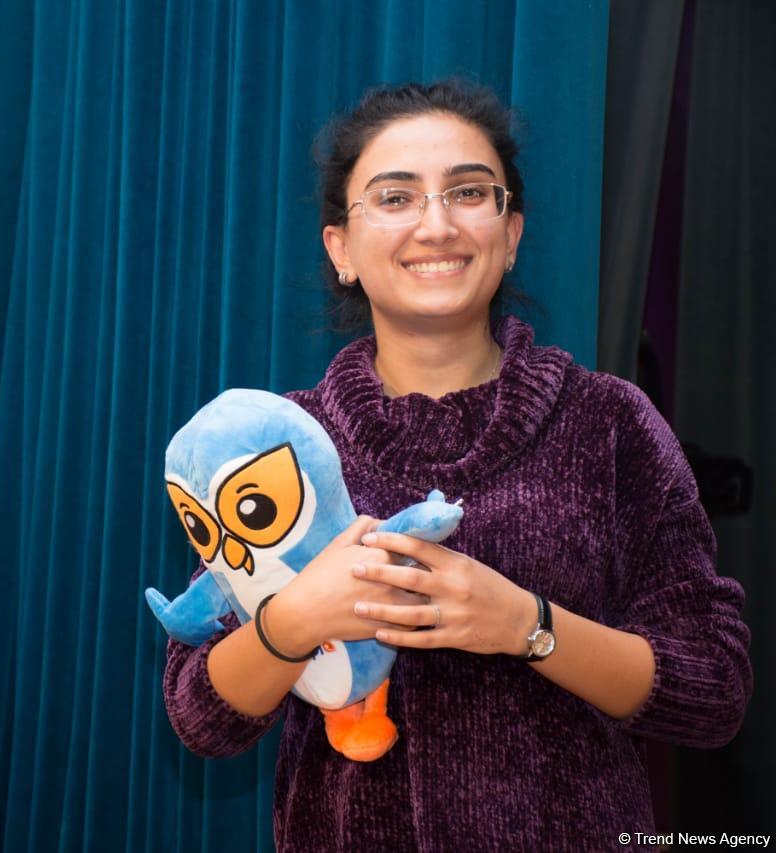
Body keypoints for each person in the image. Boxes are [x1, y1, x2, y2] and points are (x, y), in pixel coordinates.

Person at [160, 80, 753, 852]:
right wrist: (296, 619)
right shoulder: (274, 443)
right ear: (340, 248)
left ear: (510, 234)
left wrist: (526, 625)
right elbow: (201, 716)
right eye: (395, 197)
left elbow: (713, 688)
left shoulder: (610, 422)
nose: (436, 225)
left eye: (468, 192)